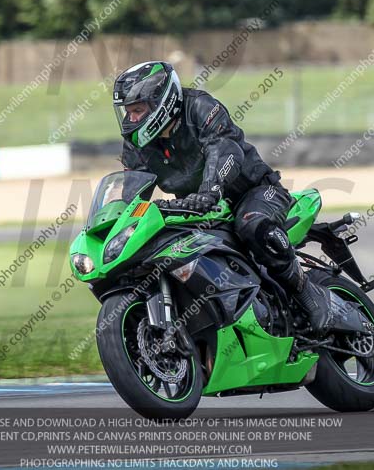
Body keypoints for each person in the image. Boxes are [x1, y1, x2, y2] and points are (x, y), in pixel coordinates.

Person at [115, 61, 337, 334]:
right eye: (128, 112)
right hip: (198, 209)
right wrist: (122, 221)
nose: (132, 119)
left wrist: (210, 190)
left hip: (254, 192)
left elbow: (225, 148)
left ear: (161, 100)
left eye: (138, 110)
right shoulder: (137, 141)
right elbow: (133, 189)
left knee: (252, 225)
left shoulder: (199, 107)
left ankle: (308, 293)